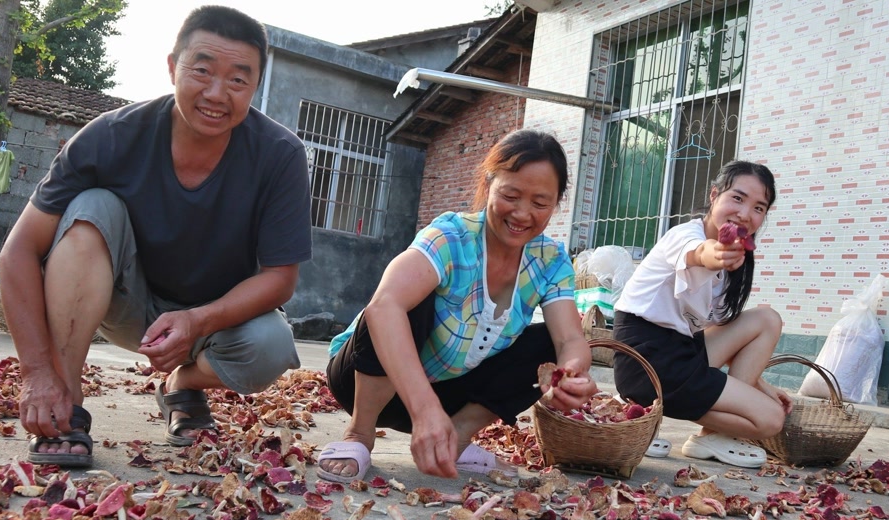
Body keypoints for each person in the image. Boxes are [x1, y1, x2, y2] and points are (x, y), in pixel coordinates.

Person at [0, 6, 311, 467]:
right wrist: (36, 372)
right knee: (92, 208)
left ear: (255, 86)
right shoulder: (110, 137)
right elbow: (18, 251)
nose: (216, 93)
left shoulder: (280, 155)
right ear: (172, 67)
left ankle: (181, 387)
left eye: (238, 80)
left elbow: (280, 278)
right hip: (125, 304)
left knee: (271, 346)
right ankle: (66, 401)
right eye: (201, 70)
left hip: (213, 322)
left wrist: (198, 322)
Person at [320, 129, 598, 481]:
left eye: (540, 203)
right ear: (488, 185)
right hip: (363, 382)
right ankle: (360, 433)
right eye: (511, 195)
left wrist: (570, 374)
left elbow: (569, 341)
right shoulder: (451, 236)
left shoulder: (550, 259)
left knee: (544, 343)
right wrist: (424, 411)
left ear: (557, 204)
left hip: (445, 396)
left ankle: (457, 436)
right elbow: (384, 306)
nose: (522, 214)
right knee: (406, 302)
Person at [611, 160, 791, 468]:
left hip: (683, 352)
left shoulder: (738, 265)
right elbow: (699, 253)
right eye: (737, 198)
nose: (745, 214)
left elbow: (727, 338)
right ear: (714, 195)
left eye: (759, 208)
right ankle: (646, 408)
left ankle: (704, 433)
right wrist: (716, 255)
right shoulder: (684, 236)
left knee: (767, 319)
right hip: (644, 356)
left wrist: (763, 386)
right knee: (771, 420)